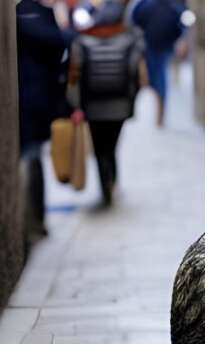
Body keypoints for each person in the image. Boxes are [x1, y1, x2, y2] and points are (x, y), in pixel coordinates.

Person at [69, 0, 144, 205]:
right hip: (119, 102)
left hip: (93, 104)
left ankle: (106, 186)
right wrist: (132, 99)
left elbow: (75, 75)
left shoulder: (82, 40)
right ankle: (112, 182)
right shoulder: (129, 39)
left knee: (99, 146)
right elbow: (133, 73)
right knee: (111, 144)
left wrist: (75, 104)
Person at [16, 0, 74, 239]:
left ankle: (33, 220)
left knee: (31, 156)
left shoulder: (22, 14)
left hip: (30, 100)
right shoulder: (33, 15)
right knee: (31, 157)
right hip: (34, 100)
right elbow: (61, 43)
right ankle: (34, 221)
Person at [130, 0, 189, 127]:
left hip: (164, 47)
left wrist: (182, 40)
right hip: (147, 47)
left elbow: (185, 22)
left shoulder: (174, 6)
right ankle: (137, 112)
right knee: (145, 79)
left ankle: (160, 117)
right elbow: (133, 21)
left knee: (160, 80)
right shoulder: (144, 4)